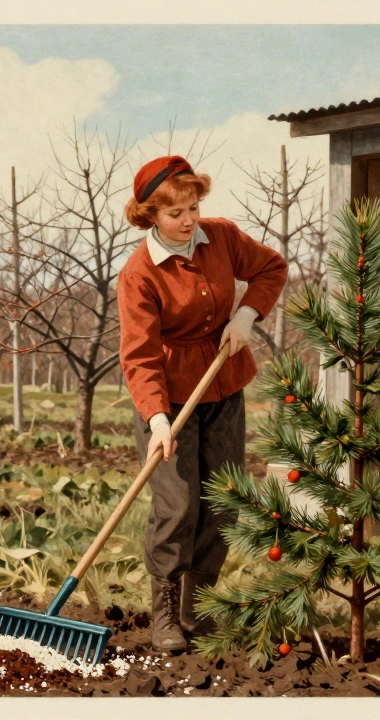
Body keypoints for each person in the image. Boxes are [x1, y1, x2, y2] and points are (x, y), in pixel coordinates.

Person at [118, 155, 288, 653]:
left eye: (194, 206)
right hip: (168, 399)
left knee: (221, 501)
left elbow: (271, 268)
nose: (189, 219)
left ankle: (201, 608)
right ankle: (166, 614)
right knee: (177, 505)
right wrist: (156, 420)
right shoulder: (139, 273)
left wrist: (247, 315)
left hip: (222, 383)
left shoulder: (222, 236)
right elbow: (140, 354)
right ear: (150, 214)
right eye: (176, 213)